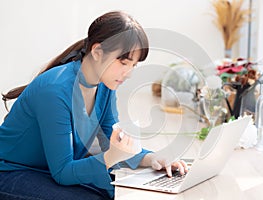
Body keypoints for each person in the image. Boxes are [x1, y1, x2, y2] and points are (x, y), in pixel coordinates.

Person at [0, 11, 188, 200]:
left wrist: (152, 159)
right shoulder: (54, 90)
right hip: (11, 172)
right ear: (97, 52)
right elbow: (63, 172)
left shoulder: (105, 85)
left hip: (47, 170)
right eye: (124, 62)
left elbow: (113, 140)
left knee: (113, 192)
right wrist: (111, 156)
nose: (129, 73)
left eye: (134, 65)